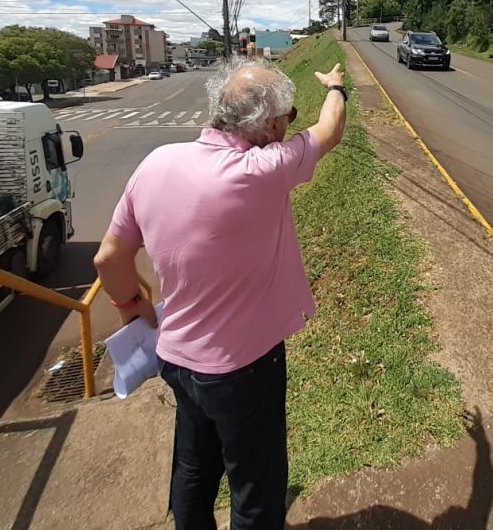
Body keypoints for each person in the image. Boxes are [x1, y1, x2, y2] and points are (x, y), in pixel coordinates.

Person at [93, 57, 348, 530]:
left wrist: (132, 308)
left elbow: (109, 259)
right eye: (289, 117)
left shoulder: (155, 163)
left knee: (194, 468)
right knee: (256, 489)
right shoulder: (261, 169)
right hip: (243, 369)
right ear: (270, 123)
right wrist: (336, 87)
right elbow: (330, 129)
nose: (290, 126)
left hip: (175, 356)